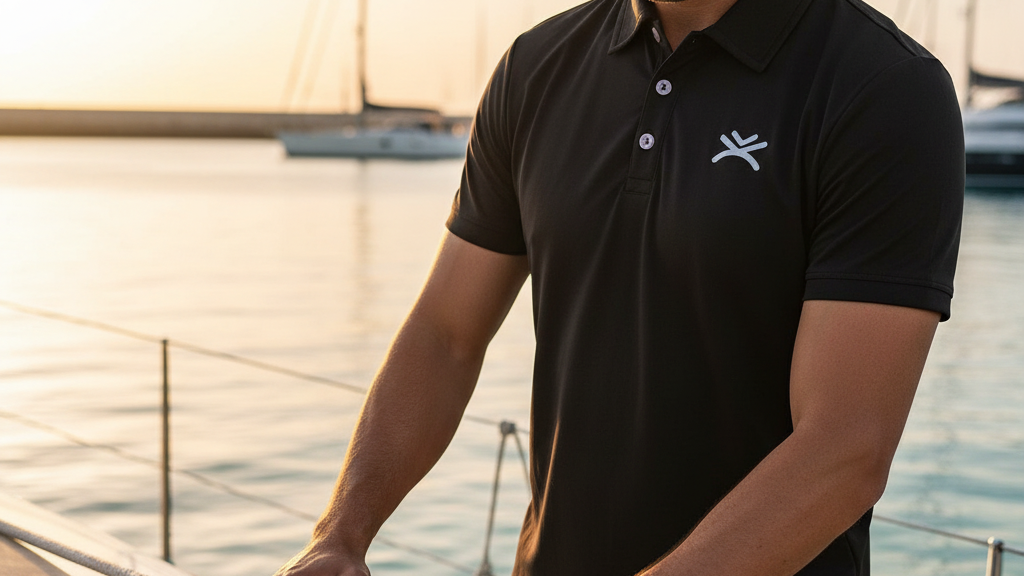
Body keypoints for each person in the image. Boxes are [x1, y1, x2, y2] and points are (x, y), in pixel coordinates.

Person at [274, 0, 964, 573]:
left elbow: (844, 447)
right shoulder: (537, 67)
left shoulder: (883, 87)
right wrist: (342, 534)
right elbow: (445, 336)